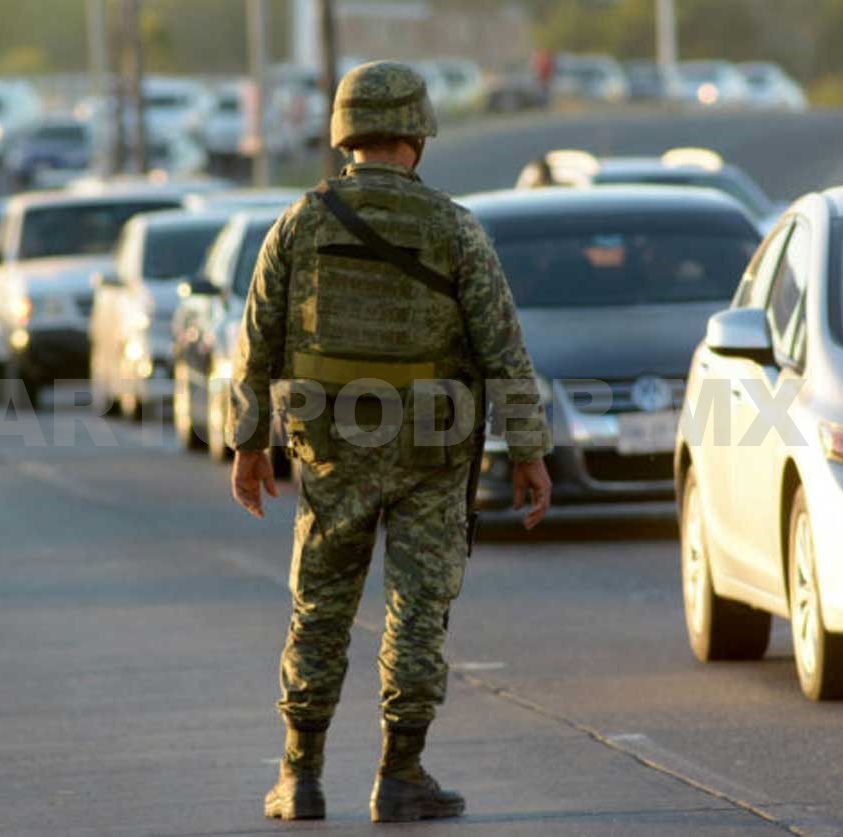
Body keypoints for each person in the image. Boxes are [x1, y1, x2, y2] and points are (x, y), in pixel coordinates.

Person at [228, 60, 553, 823]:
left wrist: (249, 445)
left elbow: (257, 344)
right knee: (416, 609)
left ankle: (299, 777)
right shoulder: (454, 226)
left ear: (344, 135)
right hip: (432, 456)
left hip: (331, 449)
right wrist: (531, 453)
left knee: (319, 608)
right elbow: (504, 350)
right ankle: (401, 773)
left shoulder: (299, 222)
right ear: (416, 134)